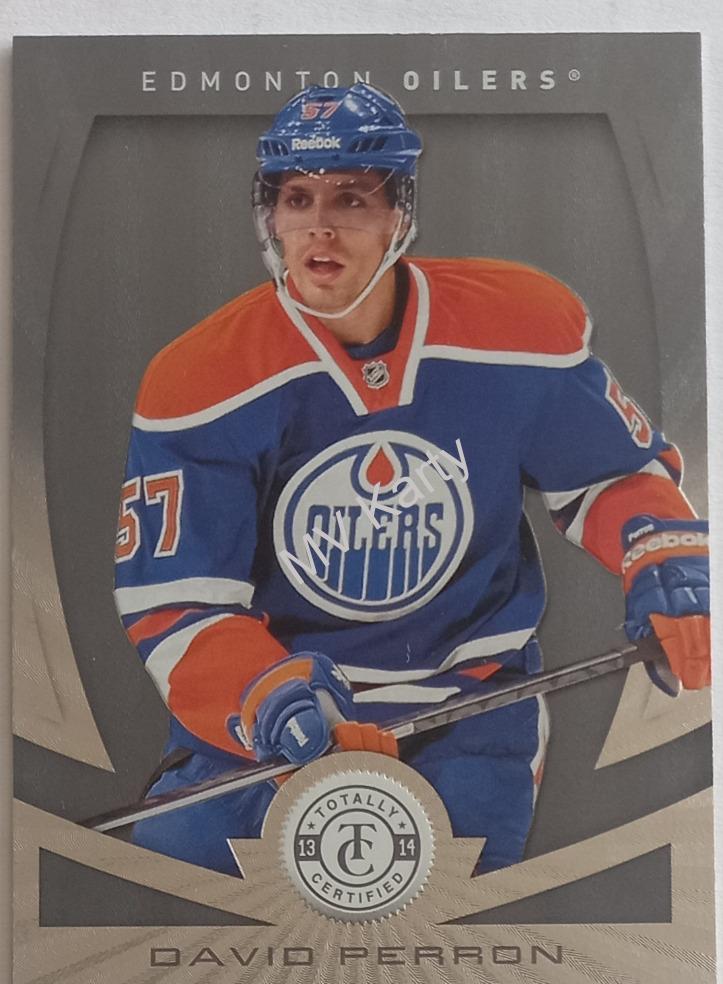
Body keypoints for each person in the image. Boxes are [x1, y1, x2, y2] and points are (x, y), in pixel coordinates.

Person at [114, 83, 710, 877]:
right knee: (179, 881)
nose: (320, 225)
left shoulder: (513, 326)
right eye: (297, 198)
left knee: (447, 911)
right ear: (270, 215)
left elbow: (608, 478)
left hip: (468, 704)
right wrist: (267, 698)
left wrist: (665, 558)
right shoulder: (202, 378)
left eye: (351, 198)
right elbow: (180, 605)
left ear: (400, 213)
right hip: (274, 715)